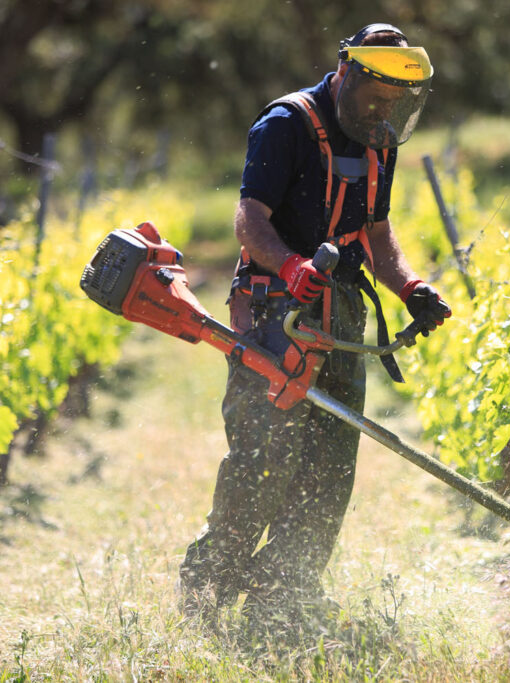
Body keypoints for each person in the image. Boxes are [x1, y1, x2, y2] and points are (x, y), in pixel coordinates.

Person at [179, 23, 451, 631]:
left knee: (330, 465)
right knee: (263, 461)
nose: (385, 111)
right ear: (348, 74)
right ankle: (209, 585)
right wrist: (292, 265)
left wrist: (409, 286)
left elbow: (376, 235)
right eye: (376, 97)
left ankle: (285, 592)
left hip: (342, 315)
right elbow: (249, 220)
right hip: (277, 309)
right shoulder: (286, 124)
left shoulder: (380, 138)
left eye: (396, 104)